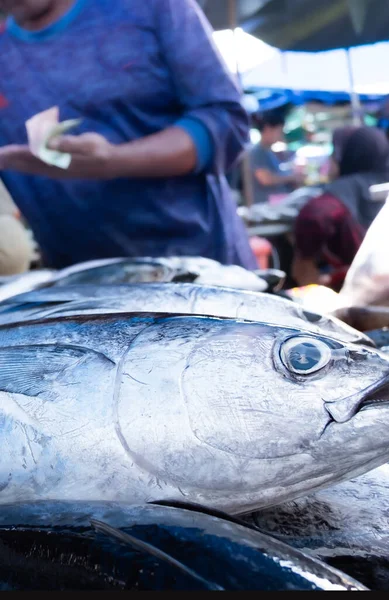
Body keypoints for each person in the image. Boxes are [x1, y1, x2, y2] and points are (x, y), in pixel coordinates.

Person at [0, 0, 257, 271]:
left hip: (202, 273)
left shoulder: (153, 6)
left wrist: (115, 161)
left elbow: (227, 122)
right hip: (78, 291)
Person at [292, 126, 389, 291]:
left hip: (357, 293)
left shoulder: (342, 191)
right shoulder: (380, 182)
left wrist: (305, 258)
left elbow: (315, 215)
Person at [249, 111, 303, 204]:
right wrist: (292, 177)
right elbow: (265, 179)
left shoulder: (268, 151)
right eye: (279, 131)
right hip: (266, 204)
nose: (280, 136)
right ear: (268, 129)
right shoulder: (257, 152)